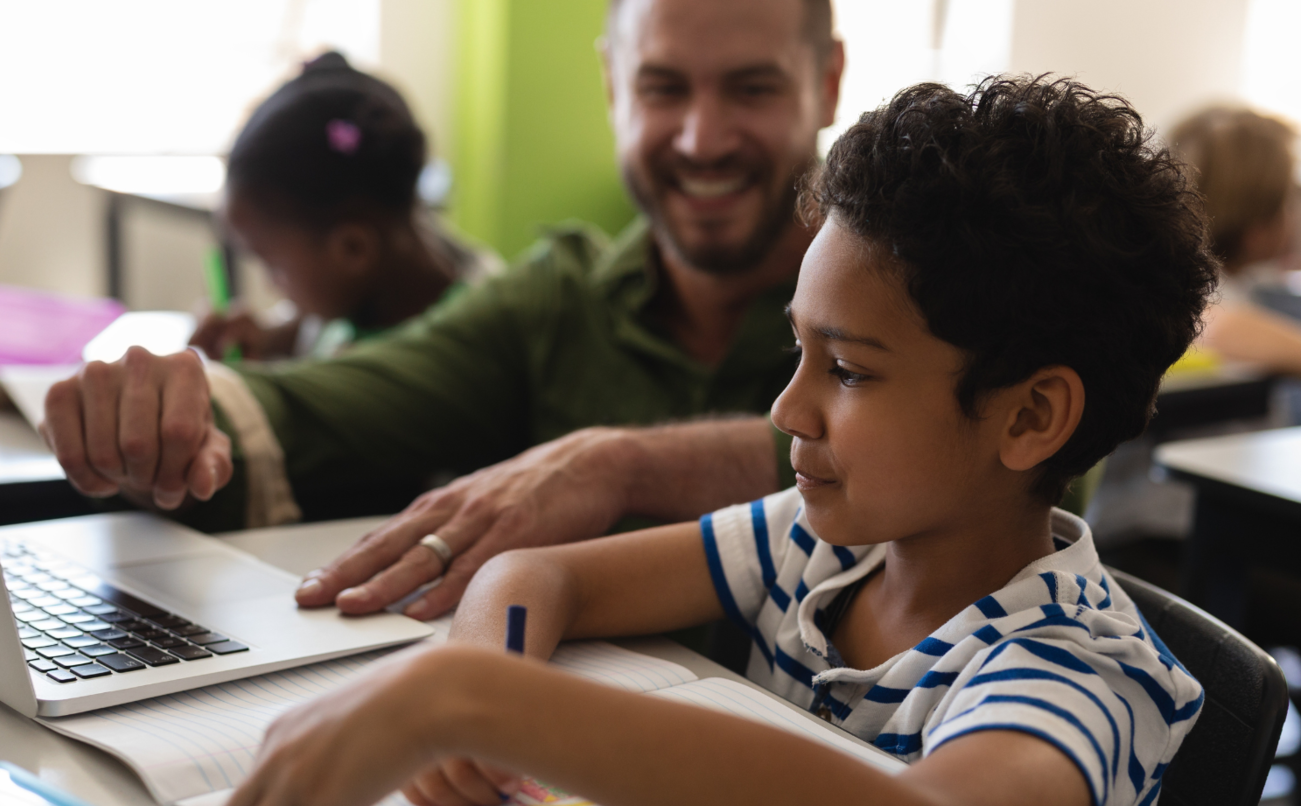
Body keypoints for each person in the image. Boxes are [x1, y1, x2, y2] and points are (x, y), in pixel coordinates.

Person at [214, 76, 1213, 806]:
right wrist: (484, 666)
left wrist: (468, 697)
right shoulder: (820, 546)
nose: (788, 408)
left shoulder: (1077, 669)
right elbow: (539, 572)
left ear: (1031, 417)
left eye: (851, 372)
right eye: (799, 351)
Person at [41, 0, 845, 618]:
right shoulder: (554, 299)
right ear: (611, 85)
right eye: (663, 87)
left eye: (752, 87)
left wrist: (619, 463)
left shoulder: (919, 304)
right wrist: (169, 414)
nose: (702, 139)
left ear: (828, 83)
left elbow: (902, 458)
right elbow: (330, 404)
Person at [190, 51, 500, 363]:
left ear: (353, 249)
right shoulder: (375, 282)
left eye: (274, 266)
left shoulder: (462, 354)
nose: (271, 287)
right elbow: (315, 324)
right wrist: (269, 336)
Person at [1169, 105, 1301, 373]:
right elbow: (1208, 325)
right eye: (1290, 196)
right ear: (1258, 228)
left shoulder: (1248, 281)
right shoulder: (1196, 297)